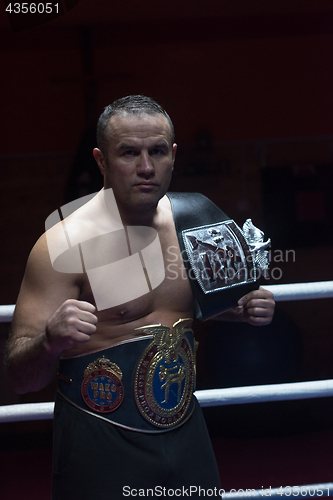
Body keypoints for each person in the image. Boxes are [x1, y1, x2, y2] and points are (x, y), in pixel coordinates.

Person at [5, 95, 275, 499]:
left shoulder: (197, 222)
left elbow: (191, 306)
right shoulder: (62, 246)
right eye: (129, 153)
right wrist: (49, 341)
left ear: (173, 155)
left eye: (157, 151)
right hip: (100, 441)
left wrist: (243, 308)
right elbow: (20, 378)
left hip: (186, 434)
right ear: (101, 160)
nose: (146, 167)